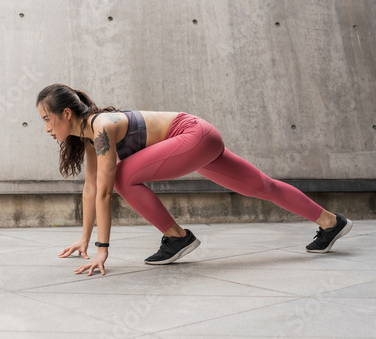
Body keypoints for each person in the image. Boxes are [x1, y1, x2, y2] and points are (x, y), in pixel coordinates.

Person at [36, 83, 353, 276]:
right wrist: (84, 239)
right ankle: (331, 223)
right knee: (263, 186)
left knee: (122, 177)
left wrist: (102, 249)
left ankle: (177, 238)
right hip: (201, 139)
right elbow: (91, 189)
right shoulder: (92, 137)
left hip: (193, 136)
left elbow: (106, 192)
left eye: (47, 119)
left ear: (66, 114)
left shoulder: (102, 127)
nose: (47, 129)